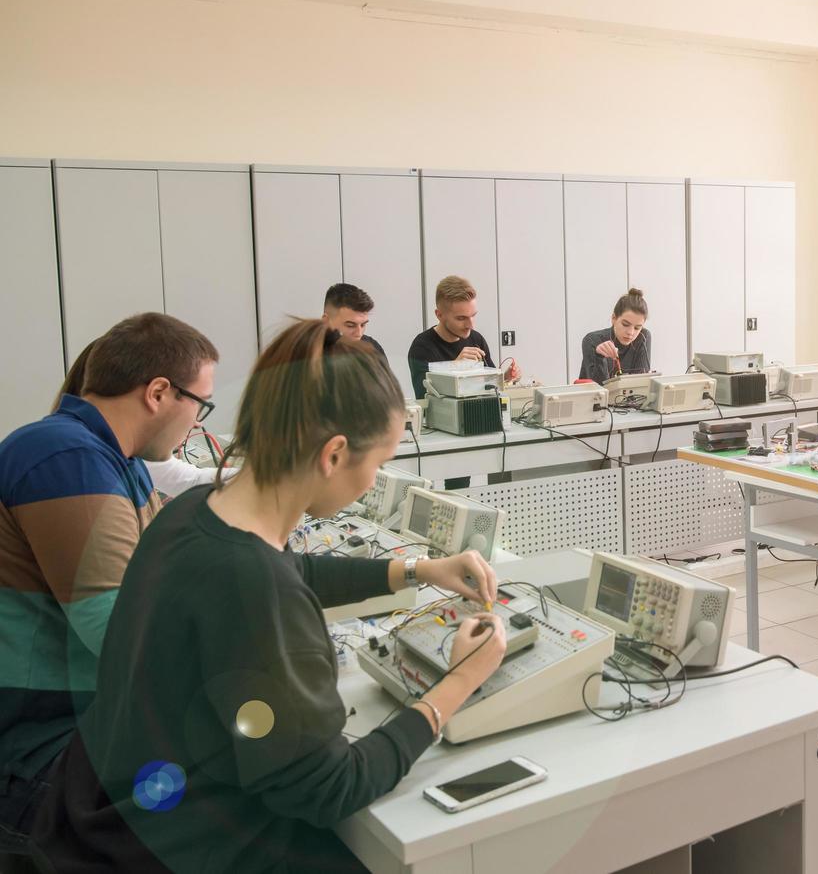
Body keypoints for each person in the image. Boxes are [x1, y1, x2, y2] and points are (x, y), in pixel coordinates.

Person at [30, 320, 509, 871]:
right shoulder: (256, 587)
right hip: (172, 851)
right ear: (332, 454)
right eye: (376, 464)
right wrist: (459, 683)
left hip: (103, 813)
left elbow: (290, 567)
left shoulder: (196, 514)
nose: (373, 479)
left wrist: (417, 568)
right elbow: (330, 788)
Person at [0, 313, 217, 856]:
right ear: (159, 393)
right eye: (201, 404)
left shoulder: (118, 460)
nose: (199, 422)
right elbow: (122, 632)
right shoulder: (64, 456)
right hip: (43, 755)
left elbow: (178, 562)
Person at [52, 341, 238, 500]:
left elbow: (187, 480)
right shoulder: (83, 463)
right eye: (197, 402)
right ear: (155, 394)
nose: (197, 423)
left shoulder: (117, 450)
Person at [406, 275, 519, 401]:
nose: (470, 325)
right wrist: (454, 367)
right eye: (461, 318)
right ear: (439, 315)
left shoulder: (476, 340)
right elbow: (425, 397)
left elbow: (488, 386)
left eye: (473, 316)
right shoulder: (422, 347)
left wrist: (505, 377)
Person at [579, 288, 653, 382]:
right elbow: (600, 388)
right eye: (625, 324)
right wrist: (599, 357)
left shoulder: (643, 336)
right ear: (614, 318)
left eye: (637, 328)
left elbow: (642, 383)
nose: (630, 332)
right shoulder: (592, 340)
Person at [322, 283, 387, 362]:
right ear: (326, 321)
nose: (359, 334)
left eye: (363, 325)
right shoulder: (309, 355)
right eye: (350, 326)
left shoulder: (373, 348)